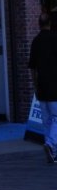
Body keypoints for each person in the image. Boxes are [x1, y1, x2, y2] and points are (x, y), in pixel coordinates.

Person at [29, 12, 57, 164]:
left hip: (41, 88)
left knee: (46, 121)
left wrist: (35, 85)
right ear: (50, 23)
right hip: (55, 87)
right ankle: (51, 144)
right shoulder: (55, 39)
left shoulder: (36, 41)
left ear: (39, 24)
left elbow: (32, 67)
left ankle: (52, 152)